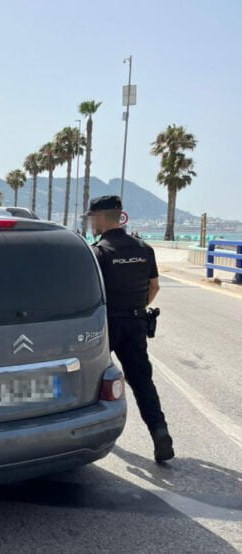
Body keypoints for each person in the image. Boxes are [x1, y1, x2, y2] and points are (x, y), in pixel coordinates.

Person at [87, 195, 175, 462]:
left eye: (92, 218)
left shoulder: (98, 252)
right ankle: (160, 433)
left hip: (106, 326)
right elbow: (155, 287)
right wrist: (137, 308)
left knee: (94, 380)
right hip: (136, 323)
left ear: (101, 218)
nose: (91, 223)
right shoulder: (144, 249)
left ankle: (91, 440)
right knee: (142, 381)